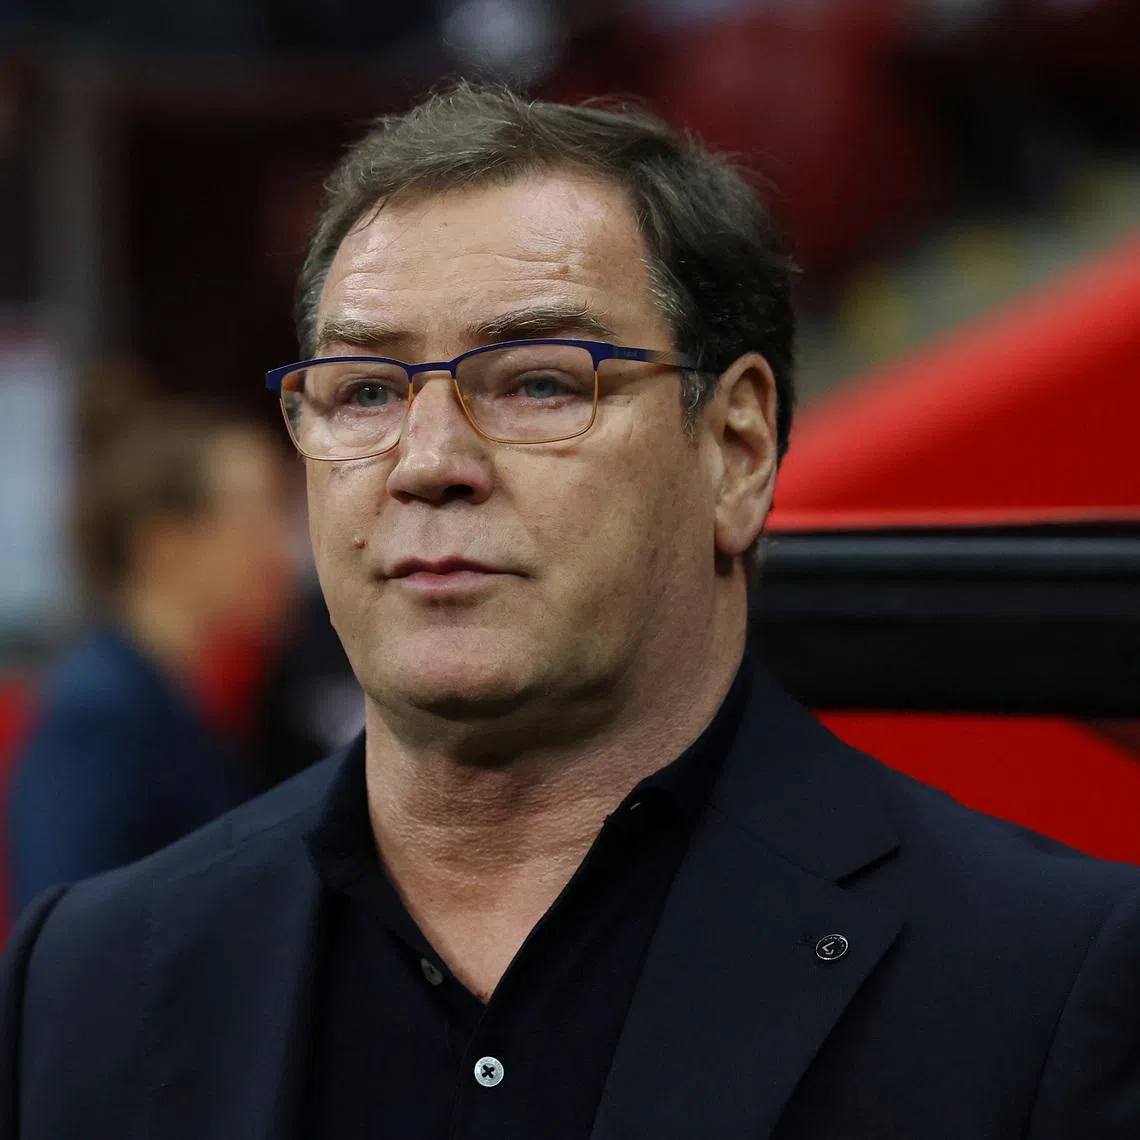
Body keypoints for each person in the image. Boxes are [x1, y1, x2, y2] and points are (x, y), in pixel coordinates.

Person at [3, 83, 1139, 1138]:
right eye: (365, 391)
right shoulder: (84, 982)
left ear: (737, 449)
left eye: (539, 381)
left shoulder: (1047, 981)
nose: (427, 462)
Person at [7, 391, 296, 912]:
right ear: (164, 544)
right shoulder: (100, 713)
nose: (283, 551)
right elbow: (65, 924)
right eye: (256, 520)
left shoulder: (187, 696)